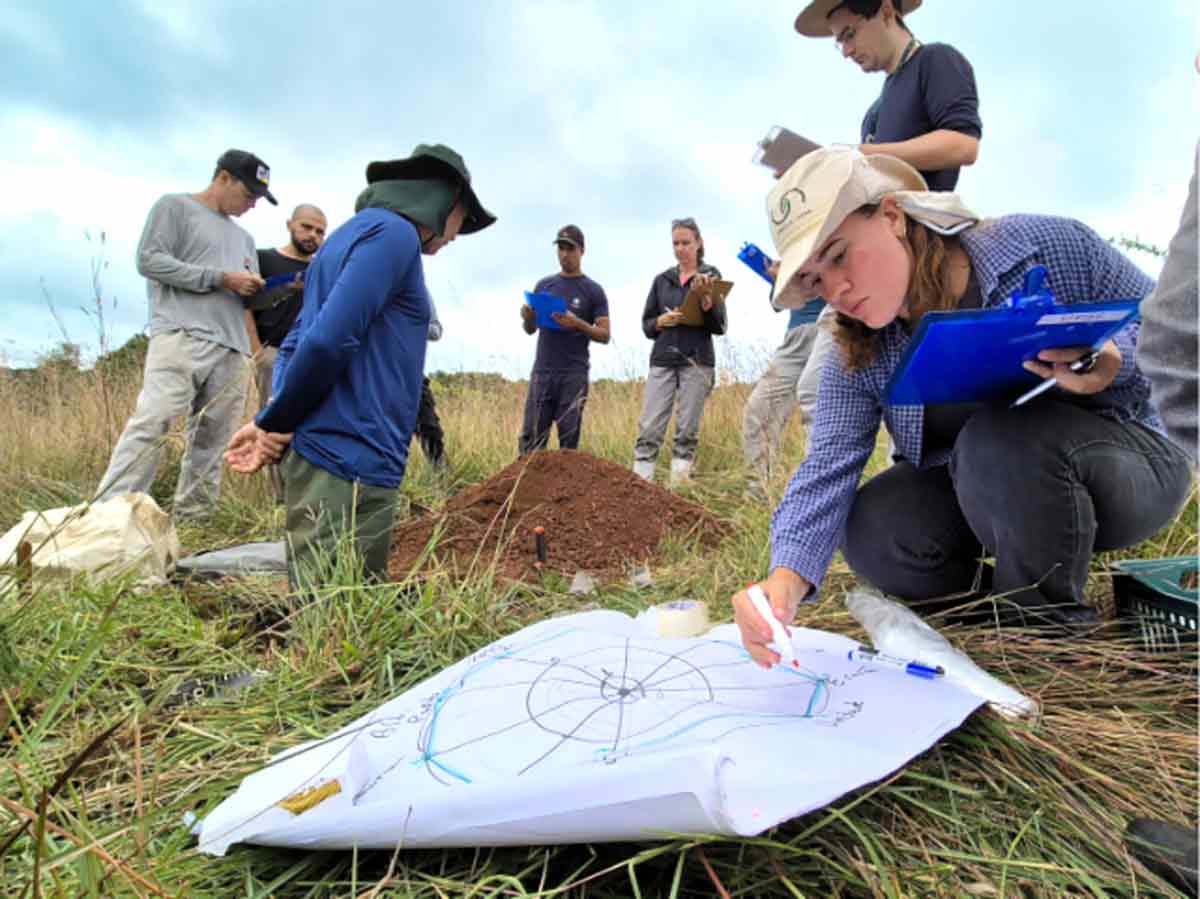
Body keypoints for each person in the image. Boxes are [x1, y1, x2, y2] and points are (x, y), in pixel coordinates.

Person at [731, 147, 1192, 662]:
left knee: (998, 438)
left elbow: (1172, 338)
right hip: (981, 490)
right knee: (871, 527)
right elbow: (826, 467)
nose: (836, 289)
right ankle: (994, 615)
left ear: (892, 216)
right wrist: (784, 581)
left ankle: (1043, 638)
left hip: (1128, 469)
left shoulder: (1045, 246)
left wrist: (1111, 361)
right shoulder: (853, 351)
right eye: (815, 280)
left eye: (839, 256)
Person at [225, 144, 495, 589]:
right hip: (349, 462)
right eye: (460, 222)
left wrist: (273, 418)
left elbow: (298, 337)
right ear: (442, 201)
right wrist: (276, 418)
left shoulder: (345, 240)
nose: (453, 237)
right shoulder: (394, 236)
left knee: (342, 616)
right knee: (335, 622)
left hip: (335, 457)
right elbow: (328, 339)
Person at [780, 0, 984, 467]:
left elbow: (963, 144)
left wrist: (868, 155)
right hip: (871, 256)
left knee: (924, 389)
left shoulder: (936, 61)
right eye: (839, 42)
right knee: (823, 385)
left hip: (928, 252)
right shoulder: (875, 111)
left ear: (887, 11)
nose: (846, 50)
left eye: (850, 33)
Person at [95, 149, 275, 518]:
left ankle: (194, 519)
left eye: (259, 198)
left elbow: (244, 297)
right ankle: (110, 514)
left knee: (213, 439)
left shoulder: (244, 239)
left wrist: (272, 291)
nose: (253, 204)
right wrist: (219, 278)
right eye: (249, 194)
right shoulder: (174, 207)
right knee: (154, 421)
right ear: (223, 177)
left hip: (232, 346)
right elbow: (149, 260)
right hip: (182, 335)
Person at [633, 218, 727, 484]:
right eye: (676, 243)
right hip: (663, 358)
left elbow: (719, 325)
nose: (680, 248)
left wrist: (707, 301)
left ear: (698, 243)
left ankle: (679, 489)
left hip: (697, 359)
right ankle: (640, 486)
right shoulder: (662, 280)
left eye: (686, 243)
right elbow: (646, 325)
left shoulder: (711, 276)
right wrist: (660, 322)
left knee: (687, 428)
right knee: (650, 425)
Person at [246, 204, 328, 500]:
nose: (313, 236)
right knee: (273, 423)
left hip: (309, 358)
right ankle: (280, 500)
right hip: (271, 352)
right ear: (290, 224)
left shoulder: (322, 268)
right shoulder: (264, 260)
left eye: (320, 232)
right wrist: (256, 351)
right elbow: (245, 306)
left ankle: (305, 497)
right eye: (307, 227)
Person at [518, 225, 610, 454]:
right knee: (531, 438)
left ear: (582, 251)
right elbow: (530, 330)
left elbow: (605, 334)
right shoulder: (545, 285)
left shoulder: (593, 291)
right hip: (543, 372)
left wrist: (577, 323)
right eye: (561, 248)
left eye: (570, 248)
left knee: (568, 439)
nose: (564, 254)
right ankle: (527, 487)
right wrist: (529, 318)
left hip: (573, 374)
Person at [414, 296, 448, 469]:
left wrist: (408, 323)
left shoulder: (417, 286)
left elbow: (436, 330)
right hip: (376, 375)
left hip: (412, 376)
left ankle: (443, 482)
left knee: (430, 430)